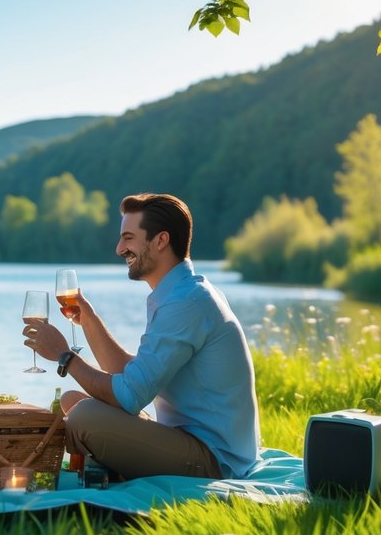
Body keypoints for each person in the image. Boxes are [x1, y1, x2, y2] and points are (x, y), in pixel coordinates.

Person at [22, 193, 259, 480]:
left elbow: (129, 396)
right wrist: (89, 321)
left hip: (215, 459)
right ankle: (108, 465)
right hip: (186, 439)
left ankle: (101, 470)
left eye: (128, 238)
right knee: (73, 400)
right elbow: (133, 377)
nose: (120, 248)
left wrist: (65, 357)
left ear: (160, 241)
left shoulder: (186, 303)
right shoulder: (179, 293)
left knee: (85, 417)